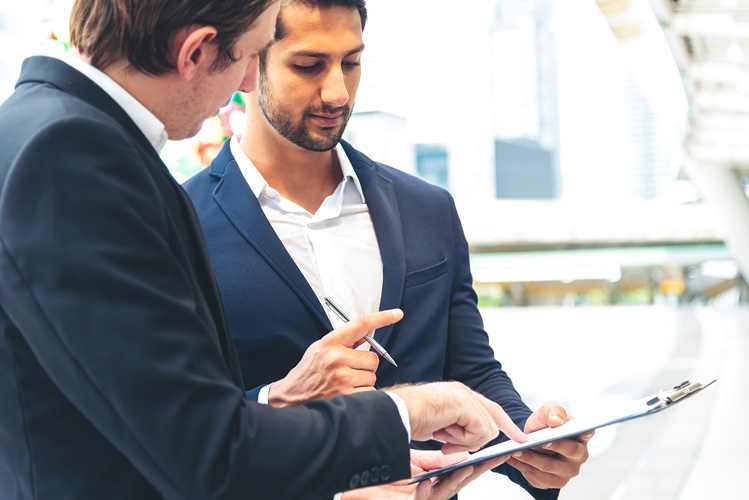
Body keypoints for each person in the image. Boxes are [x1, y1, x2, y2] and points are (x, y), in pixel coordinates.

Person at [0, 1, 530, 499]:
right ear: (196, 52)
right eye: (252, 56)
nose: (246, 82)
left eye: (351, 62)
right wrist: (407, 411)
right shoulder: (71, 155)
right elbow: (205, 447)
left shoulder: (47, 133)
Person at [184, 1, 594, 499]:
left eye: (351, 62)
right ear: (250, 62)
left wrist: (531, 440)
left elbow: (470, 372)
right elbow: (182, 426)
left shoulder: (428, 209)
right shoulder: (181, 223)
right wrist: (279, 400)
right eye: (309, 65)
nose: (336, 91)